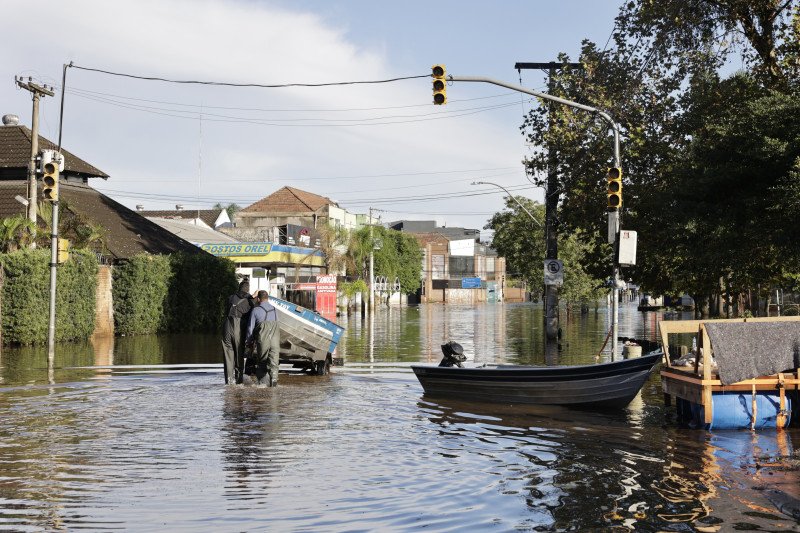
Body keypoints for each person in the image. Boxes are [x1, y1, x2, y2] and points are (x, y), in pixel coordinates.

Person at [221, 281, 255, 385]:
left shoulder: (231, 297)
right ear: (248, 289)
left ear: (239, 288)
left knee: (228, 354)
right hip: (238, 326)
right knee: (239, 353)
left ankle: (229, 382)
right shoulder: (250, 300)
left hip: (227, 326)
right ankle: (239, 381)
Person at [245, 290, 280, 386]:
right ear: (267, 298)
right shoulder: (275, 310)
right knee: (274, 363)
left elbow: (250, 328)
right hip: (275, 340)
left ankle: (262, 386)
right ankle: (274, 384)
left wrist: (249, 342)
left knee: (262, 363)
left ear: (259, 299)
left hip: (263, 340)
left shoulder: (255, 310)